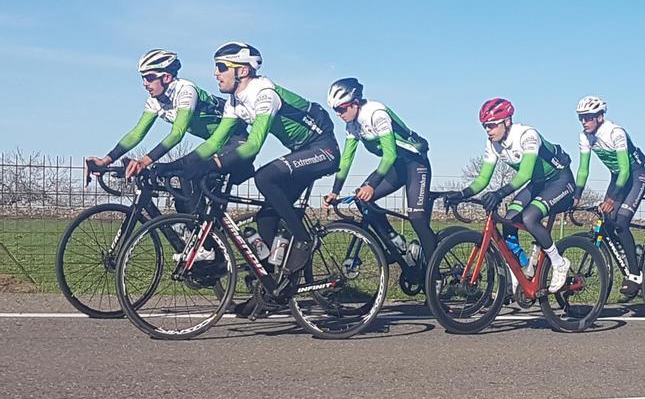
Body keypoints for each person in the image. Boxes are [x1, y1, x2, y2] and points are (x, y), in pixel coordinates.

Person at [178, 42, 340, 278]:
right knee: (266, 217)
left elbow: (254, 144)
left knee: (264, 177)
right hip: (301, 151)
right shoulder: (235, 101)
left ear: (242, 71)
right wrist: (181, 167)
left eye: (221, 67)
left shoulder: (264, 94)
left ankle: (305, 241)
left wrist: (215, 164)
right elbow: (214, 143)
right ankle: (270, 288)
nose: (215, 73)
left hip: (323, 148)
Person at [87, 50, 246, 210]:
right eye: (143, 78)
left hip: (237, 141)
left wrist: (143, 162)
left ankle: (216, 231)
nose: (144, 83)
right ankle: (202, 231)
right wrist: (106, 160)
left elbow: (177, 133)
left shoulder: (186, 91)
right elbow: (136, 134)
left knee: (189, 175)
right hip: (214, 144)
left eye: (149, 77)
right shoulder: (155, 101)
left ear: (167, 77)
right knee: (184, 198)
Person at [448, 98, 577, 293]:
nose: (488, 130)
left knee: (529, 217)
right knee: (508, 220)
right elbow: (483, 178)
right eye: (485, 127)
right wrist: (461, 194)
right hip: (539, 183)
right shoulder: (492, 144)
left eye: (492, 125)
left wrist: (499, 194)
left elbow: (524, 174)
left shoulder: (527, 135)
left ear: (507, 121)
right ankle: (521, 267)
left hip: (560, 180)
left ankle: (559, 263)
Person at [322, 78, 435, 263]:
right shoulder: (352, 125)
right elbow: (346, 159)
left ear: (355, 103)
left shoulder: (375, 113)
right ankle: (396, 242)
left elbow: (389, 155)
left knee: (417, 219)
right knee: (362, 199)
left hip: (415, 163)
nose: (338, 113)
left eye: (341, 108)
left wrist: (372, 185)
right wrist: (335, 190)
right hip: (397, 166)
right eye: (335, 110)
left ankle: (434, 274)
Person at [574, 96, 645, 297]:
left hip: (635, 177)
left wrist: (612, 199)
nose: (584, 122)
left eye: (588, 117)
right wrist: (576, 195)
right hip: (617, 178)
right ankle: (630, 254)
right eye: (581, 117)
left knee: (621, 221)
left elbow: (625, 170)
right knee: (605, 220)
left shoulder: (615, 132)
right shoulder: (585, 136)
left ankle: (634, 274)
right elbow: (583, 169)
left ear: (600, 116)